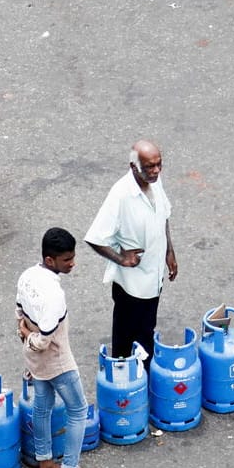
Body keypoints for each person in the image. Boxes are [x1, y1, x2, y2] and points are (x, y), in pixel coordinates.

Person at [16, 228, 101, 468]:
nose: (72, 263)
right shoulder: (54, 296)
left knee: (42, 408)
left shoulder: (28, 277)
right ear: (50, 260)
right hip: (57, 361)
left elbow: (19, 314)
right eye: (67, 259)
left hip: (36, 363)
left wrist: (24, 332)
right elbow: (42, 340)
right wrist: (30, 336)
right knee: (78, 410)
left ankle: (45, 466)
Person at [87, 140, 176, 355]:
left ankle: (143, 375)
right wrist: (121, 258)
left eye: (159, 164)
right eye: (149, 167)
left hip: (154, 278)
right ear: (133, 167)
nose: (156, 171)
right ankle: (124, 378)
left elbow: (163, 214)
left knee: (146, 330)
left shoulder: (155, 181)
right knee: (126, 338)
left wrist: (169, 250)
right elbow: (95, 237)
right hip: (131, 286)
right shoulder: (120, 195)